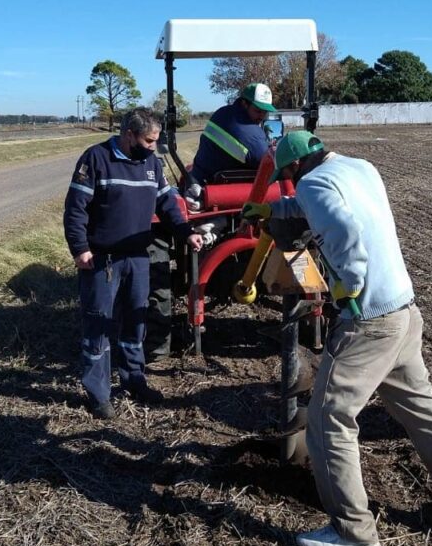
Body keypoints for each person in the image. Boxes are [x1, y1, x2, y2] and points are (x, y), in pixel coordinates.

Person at [241, 130, 432, 546]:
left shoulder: (311, 182)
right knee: (424, 410)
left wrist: (348, 286)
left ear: (294, 168)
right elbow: (319, 205)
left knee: (327, 421)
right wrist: (271, 208)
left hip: (369, 320)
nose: (291, 183)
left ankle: (354, 532)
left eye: (288, 176)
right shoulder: (359, 168)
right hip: (403, 311)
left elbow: (339, 226)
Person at [64, 107, 203, 420]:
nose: (154, 146)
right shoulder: (96, 159)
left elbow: (168, 204)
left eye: (156, 140)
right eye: (149, 140)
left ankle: (134, 380)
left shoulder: (151, 164)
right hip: (103, 260)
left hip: (138, 257)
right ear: (129, 135)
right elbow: (75, 209)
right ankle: (98, 395)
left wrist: (186, 233)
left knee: (135, 323)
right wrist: (80, 249)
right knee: (98, 325)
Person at [187, 83, 276, 207]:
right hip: (212, 187)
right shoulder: (249, 132)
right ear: (245, 104)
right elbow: (267, 162)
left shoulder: (222, 113)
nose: (261, 116)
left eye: (265, 112)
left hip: (201, 177)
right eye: (258, 111)